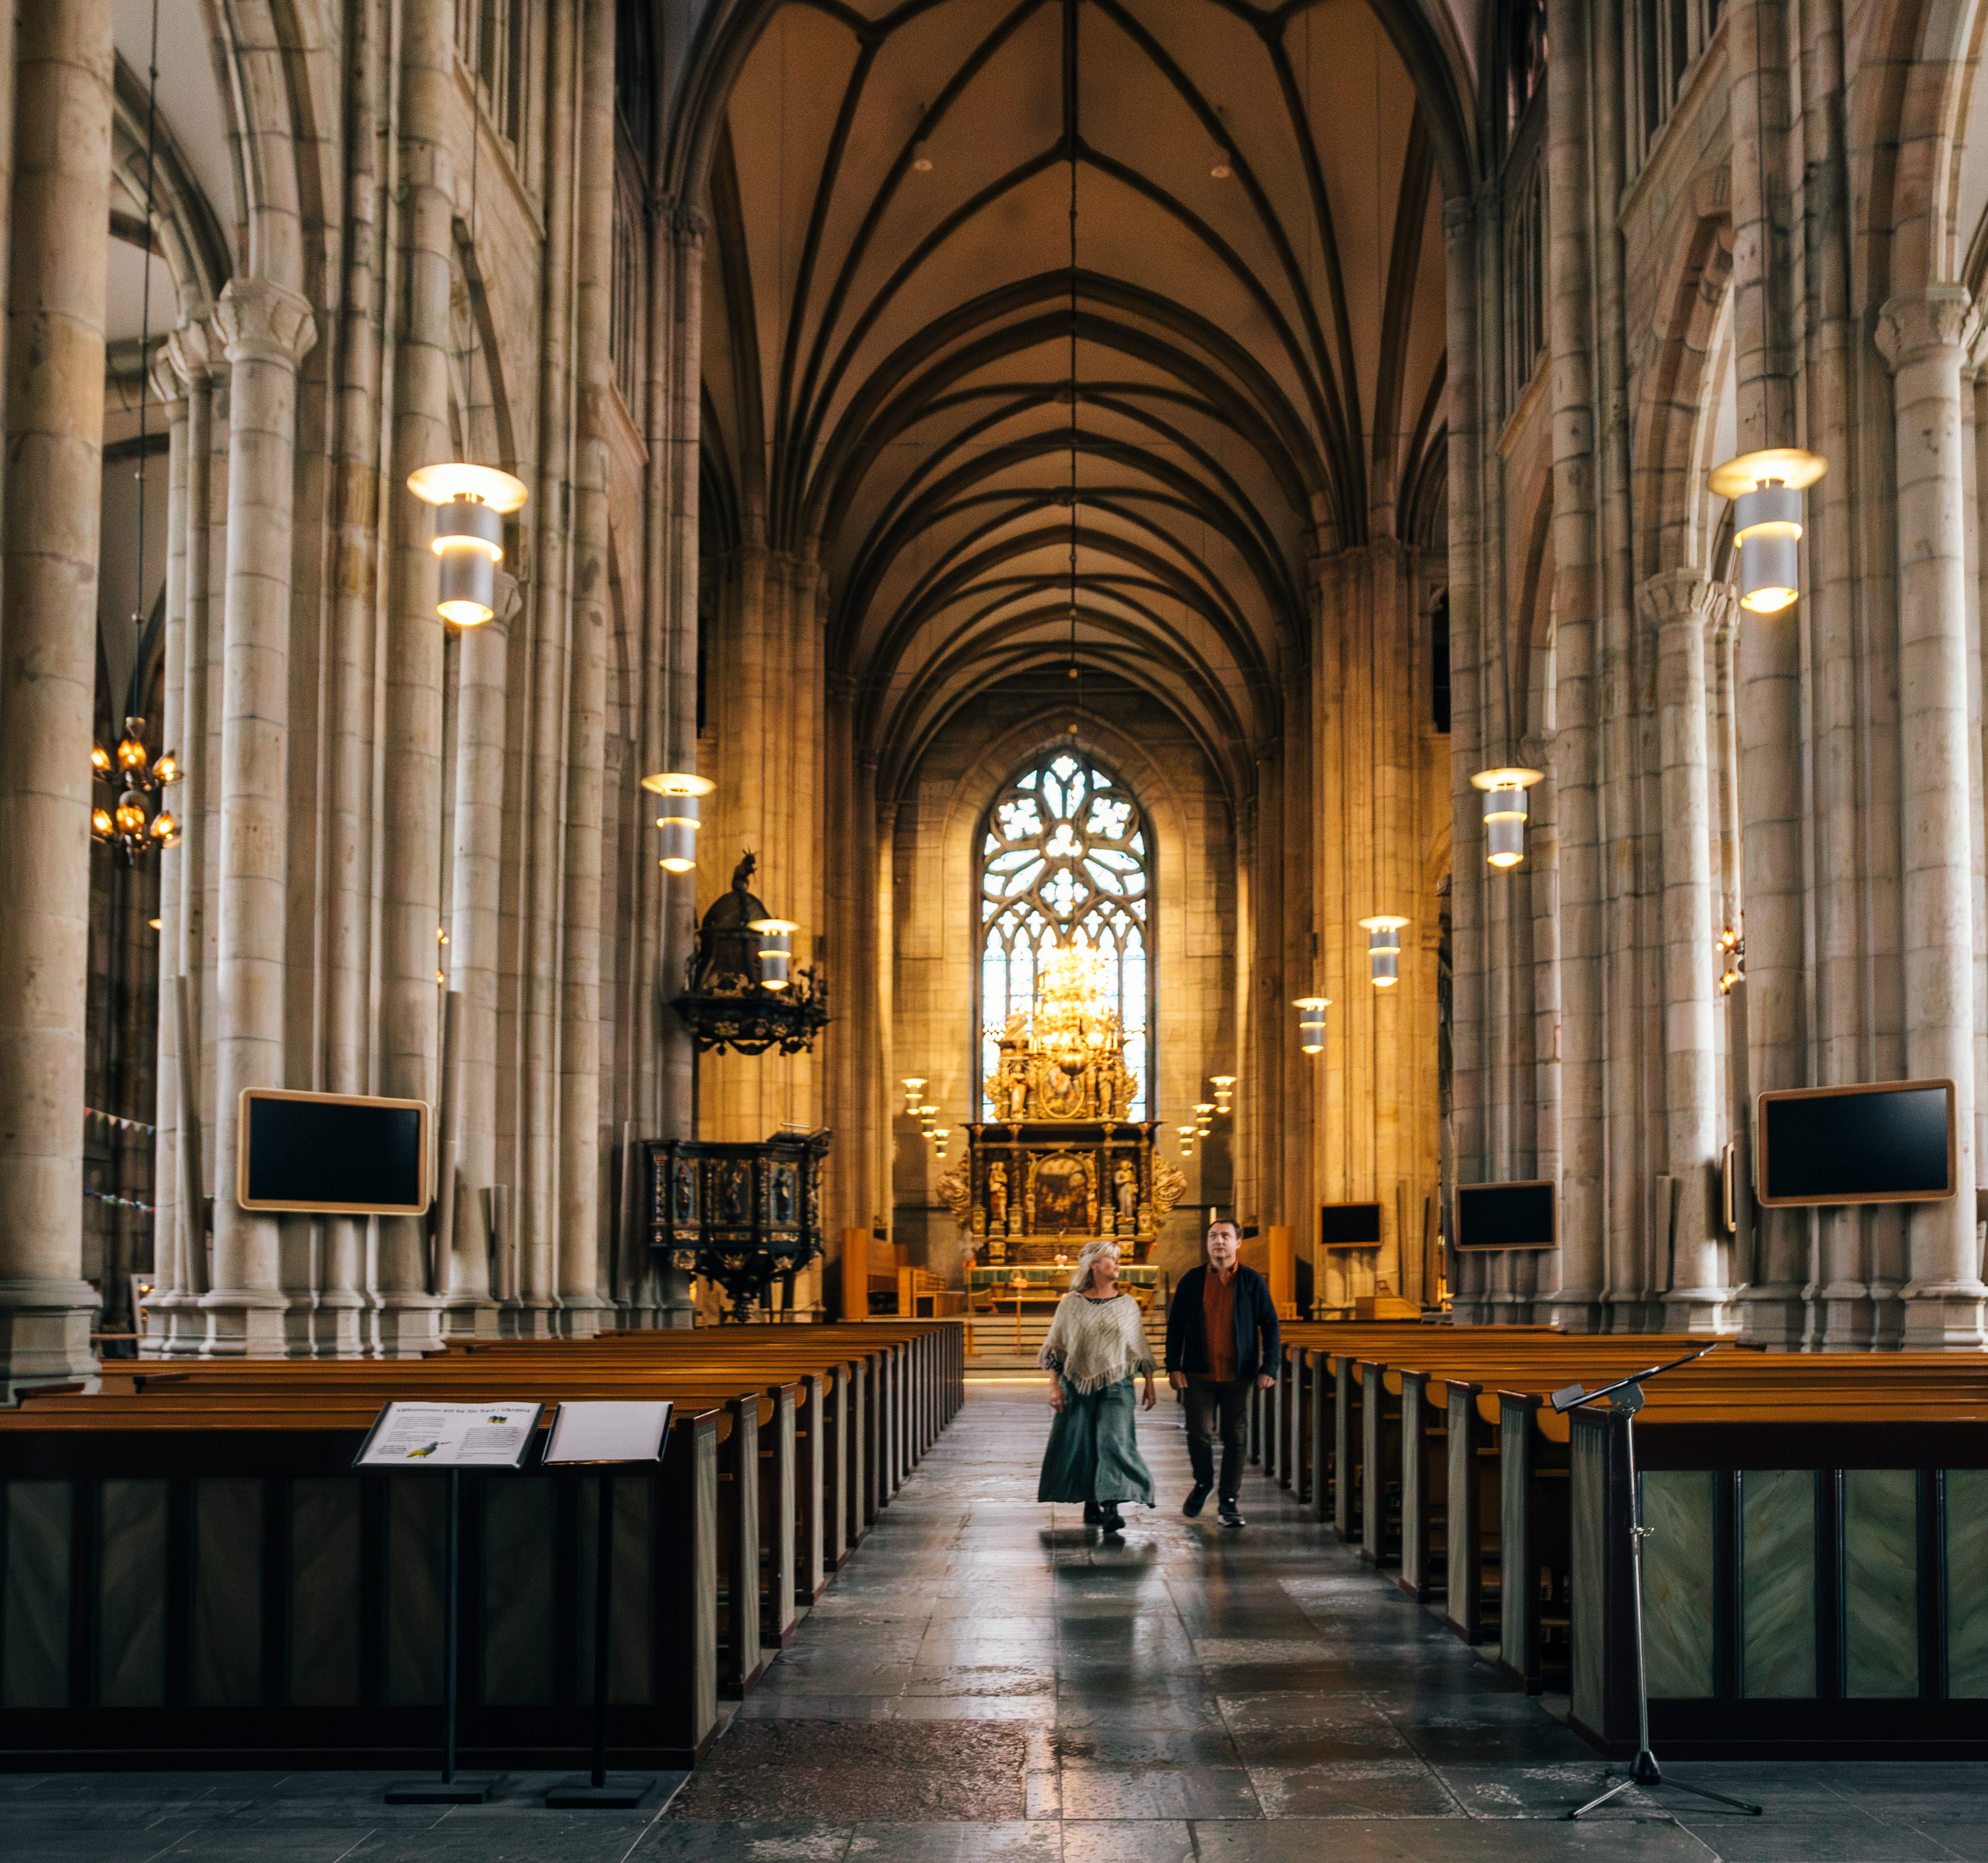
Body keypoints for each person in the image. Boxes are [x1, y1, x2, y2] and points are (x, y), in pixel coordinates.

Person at [1036, 1239, 1159, 1533]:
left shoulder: (1127, 1303)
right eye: (1111, 1259)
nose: (1117, 1264)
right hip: (1076, 1385)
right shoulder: (1071, 1304)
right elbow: (1057, 1348)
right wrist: (1055, 1387)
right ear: (1093, 1265)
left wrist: (1150, 1383)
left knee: (1114, 1441)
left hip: (1118, 1384)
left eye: (1117, 1259)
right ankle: (1092, 1502)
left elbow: (1138, 1347)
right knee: (1083, 1444)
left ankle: (1112, 1506)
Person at [1164, 1218, 1279, 1527]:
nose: (1219, 1241)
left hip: (1238, 1375)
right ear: (1207, 1243)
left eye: (1226, 1236)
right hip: (1199, 1374)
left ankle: (1229, 1499)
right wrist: (1173, 1365)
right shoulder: (1191, 1280)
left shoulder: (1253, 1281)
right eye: (1213, 1236)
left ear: (1238, 1243)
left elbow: (1270, 1325)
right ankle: (1204, 1483)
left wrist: (1269, 1367)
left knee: (1235, 1436)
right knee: (1199, 1433)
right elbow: (1175, 1326)